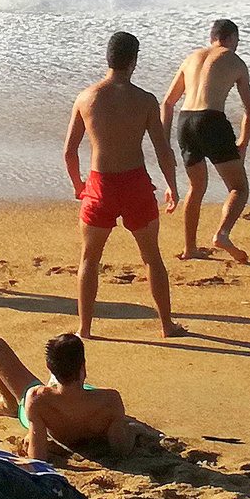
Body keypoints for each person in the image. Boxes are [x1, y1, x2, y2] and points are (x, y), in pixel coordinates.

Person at [64, 31, 186, 339]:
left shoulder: (86, 98)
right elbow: (162, 151)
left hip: (99, 185)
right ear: (134, 62)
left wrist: (79, 184)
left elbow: (69, 151)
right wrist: (171, 185)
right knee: (151, 257)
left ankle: (85, 329)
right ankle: (167, 325)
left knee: (90, 259)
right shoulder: (145, 100)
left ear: (108, 59)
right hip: (135, 185)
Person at [161, 19, 250, 263]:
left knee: (196, 187)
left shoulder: (191, 57)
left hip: (185, 122)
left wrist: (165, 144)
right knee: (239, 188)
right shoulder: (235, 61)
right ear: (232, 39)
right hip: (211, 120)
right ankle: (222, 234)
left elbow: (168, 103)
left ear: (211, 38)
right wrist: (242, 143)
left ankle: (190, 248)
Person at [0, 333, 156, 461]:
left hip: (50, 407)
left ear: (49, 368)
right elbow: (120, 449)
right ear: (83, 366)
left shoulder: (36, 399)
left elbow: (38, 458)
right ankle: (63, 379)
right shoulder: (110, 400)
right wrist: (132, 431)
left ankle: (9, 405)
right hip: (89, 402)